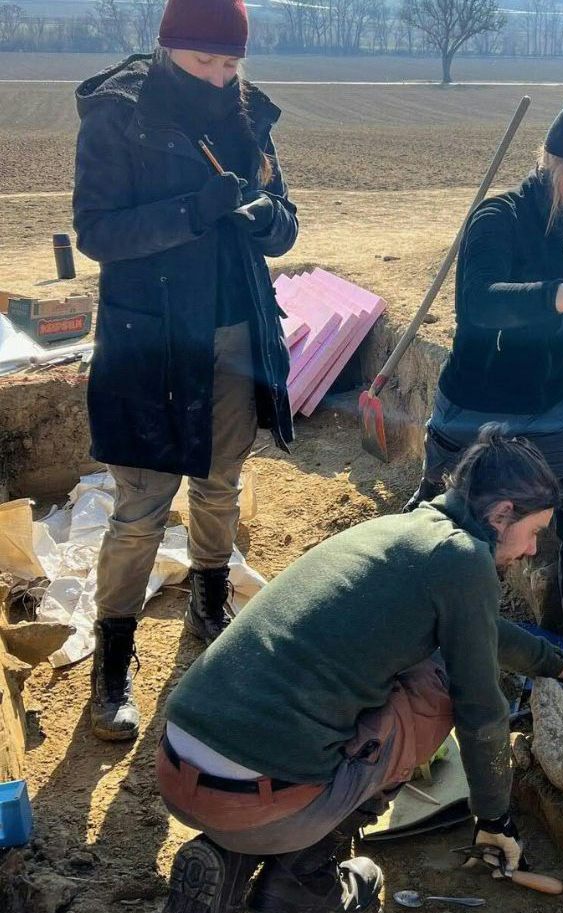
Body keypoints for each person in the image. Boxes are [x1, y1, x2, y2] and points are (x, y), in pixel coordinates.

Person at [152, 427, 563, 913]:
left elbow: (483, 628)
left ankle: (231, 853)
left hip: (179, 763)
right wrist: (494, 817)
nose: (531, 550)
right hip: (260, 797)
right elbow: (482, 714)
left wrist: (561, 665)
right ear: (501, 514)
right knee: (440, 689)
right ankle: (302, 878)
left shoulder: (410, 530)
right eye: (534, 532)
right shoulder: (465, 560)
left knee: (384, 683)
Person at [72, 0, 297, 742]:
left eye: (231, 63)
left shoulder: (248, 115)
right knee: (139, 508)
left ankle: (208, 600)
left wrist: (268, 219)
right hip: (152, 341)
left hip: (235, 330)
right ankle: (113, 662)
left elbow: (287, 218)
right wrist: (189, 212)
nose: (221, 76)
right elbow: (97, 232)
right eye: (206, 61)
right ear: (169, 49)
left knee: (222, 478)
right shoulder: (120, 116)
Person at [403, 86, 563, 687]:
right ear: (561, 164)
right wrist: (558, 295)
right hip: (478, 408)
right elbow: (478, 306)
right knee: (464, 535)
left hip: (554, 408)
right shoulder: (499, 219)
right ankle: (423, 650)